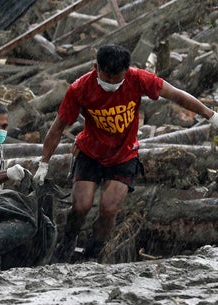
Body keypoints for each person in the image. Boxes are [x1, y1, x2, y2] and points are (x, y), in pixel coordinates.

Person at [32, 44, 218, 263]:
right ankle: (69, 240)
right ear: (95, 68)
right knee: (81, 205)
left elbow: (176, 94)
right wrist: (44, 163)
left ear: (126, 71)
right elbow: (58, 127)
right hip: (90, 152)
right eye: (106, 77)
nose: (111, 83)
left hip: (123, 155)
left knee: (109, 208)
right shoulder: (80, 88)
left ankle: (94, 253)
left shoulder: (138, 79)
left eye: (116, 79)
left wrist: (210, 115)